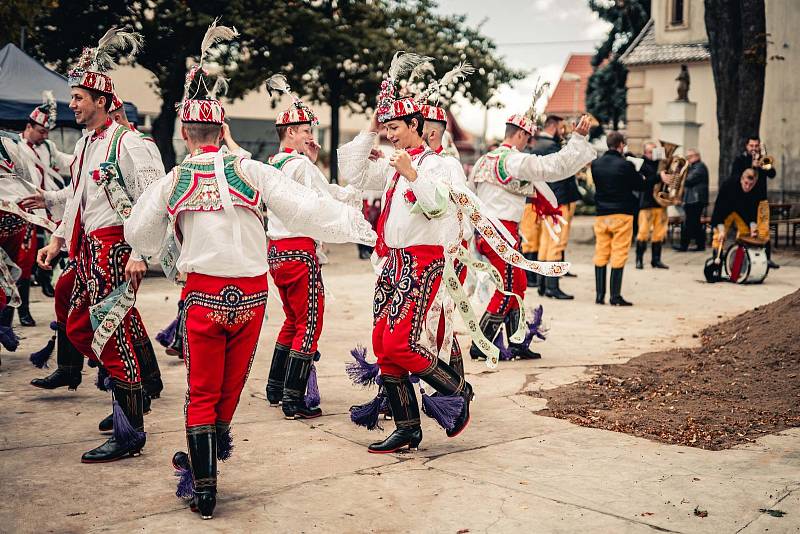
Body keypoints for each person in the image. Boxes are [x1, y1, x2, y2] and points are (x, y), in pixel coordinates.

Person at [124, 23, 376, 520]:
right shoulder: (250, 170)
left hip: (201, 299)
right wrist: (363, 230)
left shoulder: (175, 181)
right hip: (251, 300)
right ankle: (208, 461)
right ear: (223, 131)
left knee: (202, 391)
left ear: (184, 134)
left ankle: (205, 486)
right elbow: (307, 209)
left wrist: (149, 248)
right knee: (230, 390)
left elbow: (138, 231)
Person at [337, 52, 482, 454]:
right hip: (395, 261)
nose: (391, 135)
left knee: (402, 342)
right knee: (383, 343)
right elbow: (353, 171)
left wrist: (412, 173)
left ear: (416, 126)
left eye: (395, 127)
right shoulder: (391, 162)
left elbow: (439, 208)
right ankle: (408, 427)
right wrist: (371, 125)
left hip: (424, 261)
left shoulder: (441, 166)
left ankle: (457, 389)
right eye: (387, 128)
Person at [36, 28, 164, 463]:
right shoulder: (88, 145)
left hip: (116, 251)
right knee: (79, 327)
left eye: (80, 97)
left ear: (103, 102)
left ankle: (130, 430)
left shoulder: (130, 143)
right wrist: (56, 239)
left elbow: (153, 200)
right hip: (88, 250)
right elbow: (78, 199)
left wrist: (140, 252)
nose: (73, 103)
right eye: (72, 97)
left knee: (115, 337)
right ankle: (134, 394)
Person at [263, 74, 364, 419]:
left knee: (292, 320)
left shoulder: (271, 164)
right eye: (306, 130)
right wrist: (355, 196)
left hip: (276, 253)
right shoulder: (300, 166)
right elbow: (328, 197)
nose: (310, 135)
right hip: (299, 252)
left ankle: (275, 388)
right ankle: (293, 399)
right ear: (290, 132)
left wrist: (313, 162)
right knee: (309, 324)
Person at [468, 101, 595, 360]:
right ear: (521, 135)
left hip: (488, 231)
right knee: (509, 287)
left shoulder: (484, 160)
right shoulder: (514, 160)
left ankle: (517, 343)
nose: (529, 143)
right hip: (500, 231)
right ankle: (480, 342)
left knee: (519, 283)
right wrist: (578, 139)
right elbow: (555, 167)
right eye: (528, 137)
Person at [524, 114, 581, 299]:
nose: (562, 131)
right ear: (554, 126)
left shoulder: (538, 145)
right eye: (561, 127)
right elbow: (563, 171)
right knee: (556, 244)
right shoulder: (551, 147)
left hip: (545, 202)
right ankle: (552, 287)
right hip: (558, 200)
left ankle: (543, 284)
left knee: (545, 244)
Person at [591, 131, 646, 306]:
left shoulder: (596, 164)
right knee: (619, 253)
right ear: (621, 145)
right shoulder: (625, 165)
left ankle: (599, 296)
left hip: (602, 214)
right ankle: (615, 296)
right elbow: (639, 185)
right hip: (622, 213)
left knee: (601, 253)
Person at [729, 135, 778, 269]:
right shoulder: (740, 160)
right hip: (745, 201)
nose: (754, 149)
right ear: (747, 146)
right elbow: (735, 177)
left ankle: (766, 259)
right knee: (743, 232)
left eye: (756, 146)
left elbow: (772, 174)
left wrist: (763, 164)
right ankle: (739, 261)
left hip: (761, 201)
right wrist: (751, 166)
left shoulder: (763, 160)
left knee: (764, 231)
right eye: (752, 146)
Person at [635, 142, 670, 270]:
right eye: (650, 151)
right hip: (647, 203)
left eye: (654, 151)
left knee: (659, 233)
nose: (652, 154)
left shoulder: (661, 164)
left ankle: (656, 260)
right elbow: (645, 182)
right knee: (643, 232)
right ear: (645, 153)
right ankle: (639, 260)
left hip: (660, 204)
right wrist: (658, 176)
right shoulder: (641, 164)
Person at [710, 168, 762, 250]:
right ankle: (717, 258)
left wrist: (753, 228)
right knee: (719, 237)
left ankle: (738, 260)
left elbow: (753, 211)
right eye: (746, 183)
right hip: (725, 212)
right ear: (741, 179)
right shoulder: (728, 185)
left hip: (742, 213)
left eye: (751, 184)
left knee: (745, 237)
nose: (748, 187)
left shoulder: (756, 190)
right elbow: (719, 209)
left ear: (755, 182)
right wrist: (721, 230)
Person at [676, 148, 709, 251]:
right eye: (687, 157)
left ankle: (684, 245)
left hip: (696, 199)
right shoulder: (694, 167)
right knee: (693, 223)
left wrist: (679, 173)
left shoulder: (700, 167)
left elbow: (689, 180)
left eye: (689, 157)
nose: (687, 160)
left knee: (690, 222)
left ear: (697, 156)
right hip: (692, 199)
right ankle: (699, 245)